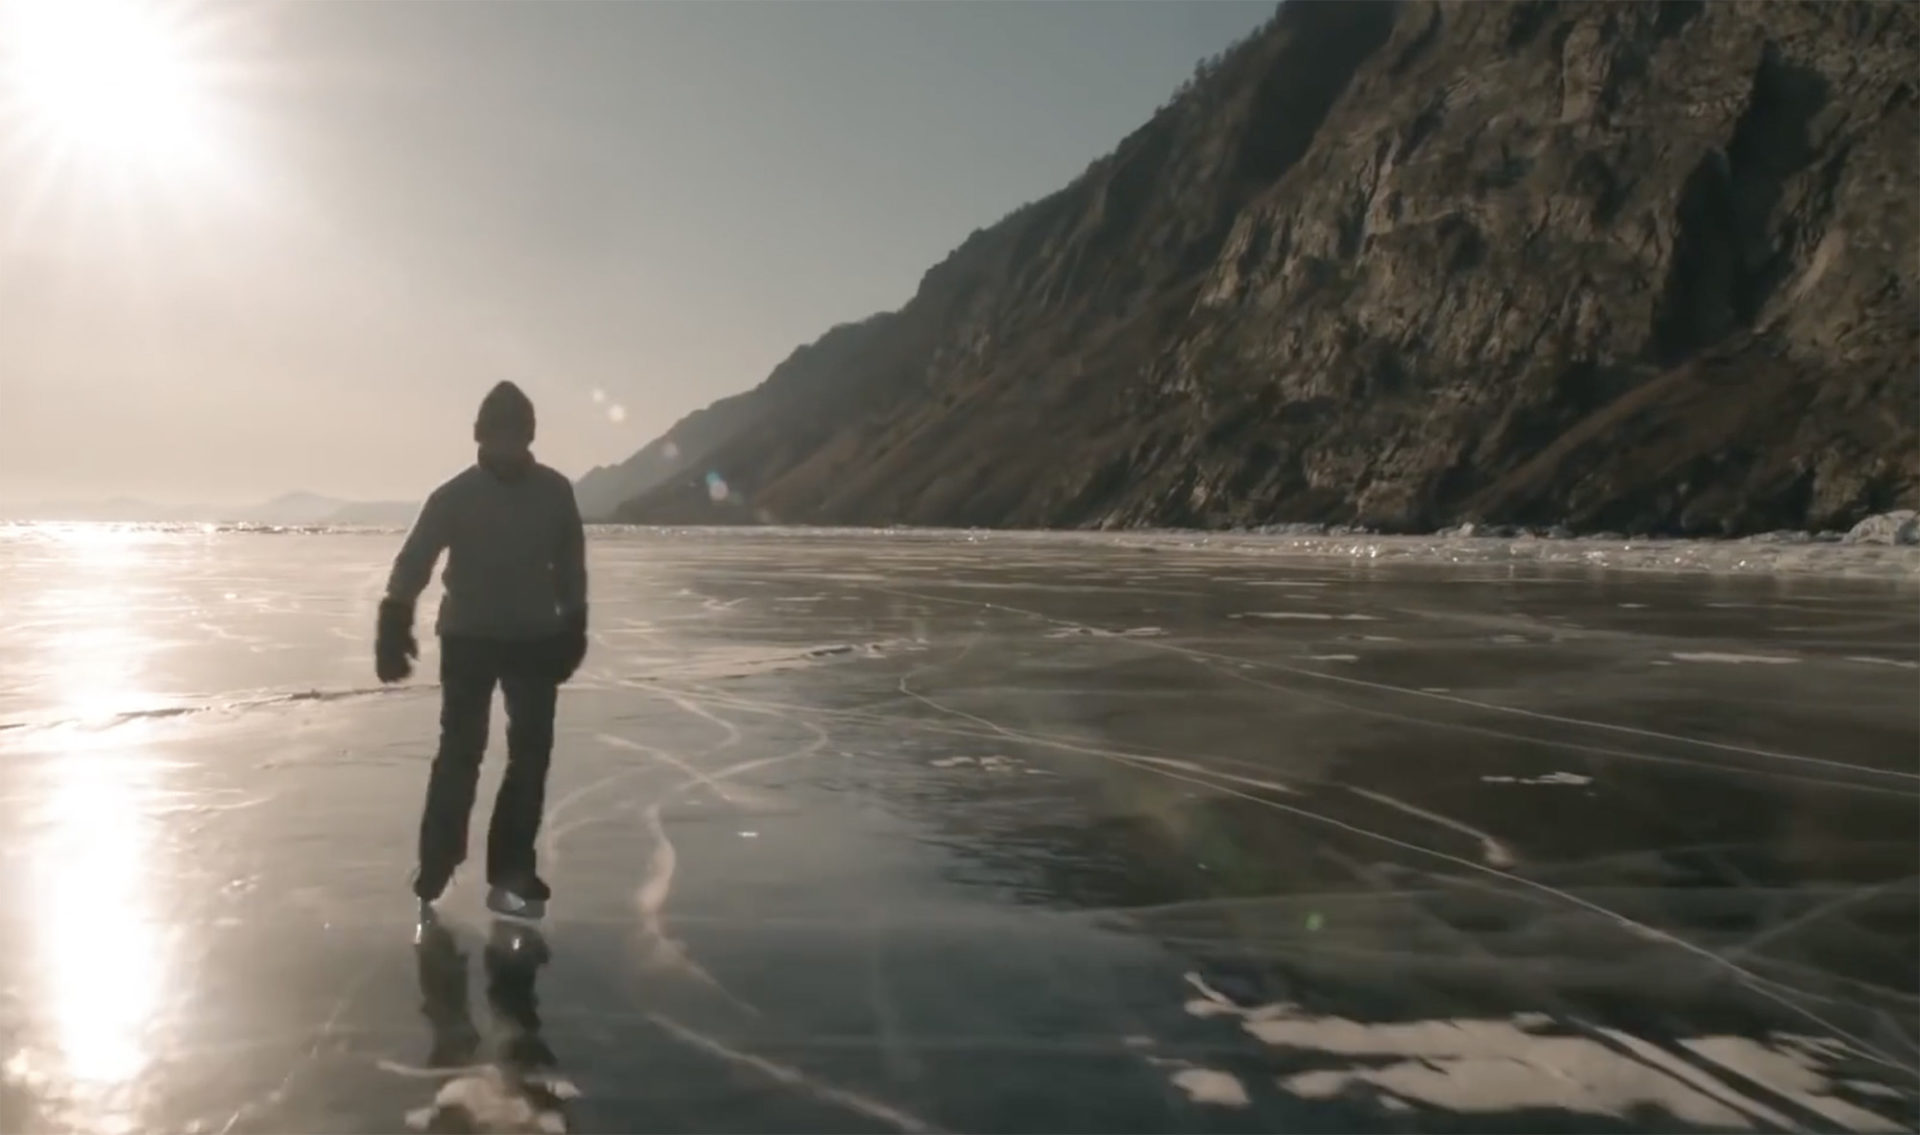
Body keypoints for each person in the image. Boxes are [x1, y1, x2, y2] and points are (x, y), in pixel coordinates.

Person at [377, 380, 588, 920]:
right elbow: (415, 559)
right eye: (498, 433)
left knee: (530, 756)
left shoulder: (555, 492)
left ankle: (512, 869)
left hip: (534, 640)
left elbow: (569, 563)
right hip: (469, 638)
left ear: (530, 435)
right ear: (479, 435)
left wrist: (574, 623)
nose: (507, 443)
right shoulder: (454, 496)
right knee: (460, 753)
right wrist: (395, 618)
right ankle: (437, 862)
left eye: (517, 433)